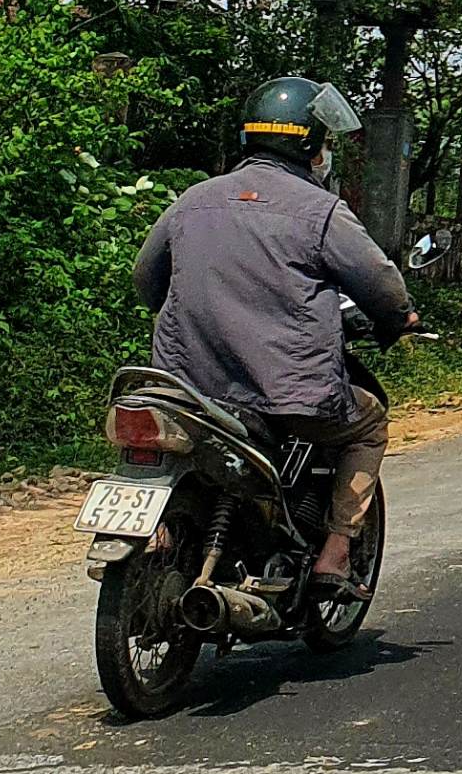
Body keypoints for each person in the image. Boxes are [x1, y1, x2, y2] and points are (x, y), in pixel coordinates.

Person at [133, 76, 417, 596]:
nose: (328, 154)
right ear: (309, 145)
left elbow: (145, 280)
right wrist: (399, 321)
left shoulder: (192, 201)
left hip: (187, 392)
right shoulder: (320, 212)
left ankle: (165, 542)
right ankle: (334, 554)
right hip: (289, 395)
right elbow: (382, 286)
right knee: (368, 422)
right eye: (327, 144)